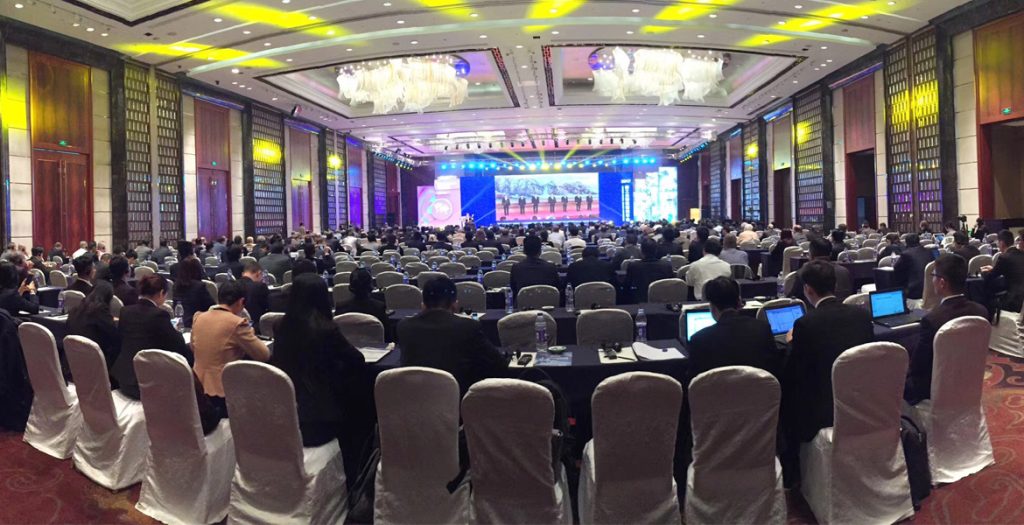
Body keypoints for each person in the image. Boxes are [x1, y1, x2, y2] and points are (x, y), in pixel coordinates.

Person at [267, 274, 368, 484]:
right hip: (319, 421)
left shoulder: (280, 326)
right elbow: (356, 359)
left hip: (287, 413)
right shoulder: (325, 329)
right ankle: (354, 477)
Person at [784, 260, 873, 443]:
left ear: (808, 289)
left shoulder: (806, 324)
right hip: (862, 400)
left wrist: (791, 343)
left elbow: (796, 373)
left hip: (824, 411)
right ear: (835, 284)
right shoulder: (862, 315)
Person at [397, 276, 506, 395]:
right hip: (457, 399)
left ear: (423, 305)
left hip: (414, 398)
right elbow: (498, 365)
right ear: (455, 305)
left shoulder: (404, 327)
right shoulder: (468, 327)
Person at [904, 254, 988, 405]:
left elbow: (917, 367)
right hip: (969, 380)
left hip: (933, 389)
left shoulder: (932, 320)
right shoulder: (981, 311)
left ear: (942, 283)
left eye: (933, 276)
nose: (932, 280)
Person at [192, 280, 270, 414]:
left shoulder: (199, 317)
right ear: (241, 302)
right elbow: (263, 355)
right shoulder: (237, 324)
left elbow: (194, 348)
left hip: (197, 387)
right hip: (223, 392)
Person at [687, 277, 783, 385]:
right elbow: (775, 371)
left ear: (712, 307)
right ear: (739, 302)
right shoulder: (762, 329)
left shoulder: (699, 340)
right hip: (759, 393)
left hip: (717, 395)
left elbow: (694, 385)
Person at [112, 274, 193, 400]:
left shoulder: (125, 311)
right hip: (146, 384)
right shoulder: (159, 315)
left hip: (124, 379)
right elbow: (178, 345)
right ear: (161, 293)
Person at [67, 280, 119, 373]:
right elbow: (114, 337)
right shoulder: (101, 313)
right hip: (95, 363)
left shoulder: (75, 311)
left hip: (72, 362)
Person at [788, 237, 853, 303]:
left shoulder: (804, 273)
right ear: (831, 254)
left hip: (815, 309)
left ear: (810, 255)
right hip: (844, 308)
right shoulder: (844, 271)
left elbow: (792, 300)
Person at [509, 235, 562, 303]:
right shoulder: (551, 267)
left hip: (523, 305)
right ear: (540, 251)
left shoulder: (516, 268)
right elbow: (558, 289)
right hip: (547, 305)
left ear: (524, 251)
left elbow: (513, 290)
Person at [982, 229, 1024, 313]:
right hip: (1022, 299)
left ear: (1001, 243)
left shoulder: (1004, 257)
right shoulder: (1021, 254)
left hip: (1014, 301)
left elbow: (991, 277)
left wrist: (984, 273)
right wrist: (993, 269)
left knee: (985, 300)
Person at [174, 257, 215, 329]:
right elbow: (211, 306)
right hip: (197, 323)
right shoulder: (199, 286)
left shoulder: (176, 286)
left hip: (180, 323)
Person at [892, 233, 935, 300]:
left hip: (914, 291)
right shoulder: (929, 252)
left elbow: (896, 268)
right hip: (930, 289)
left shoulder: (906, 254)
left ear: (906, 243)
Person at [239, 261, 271, 331]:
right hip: (256, 328)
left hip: (236, 327)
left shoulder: (232, 286)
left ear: (243, 274)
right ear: (258, 273)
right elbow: (268, 308)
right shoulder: (260, 286)